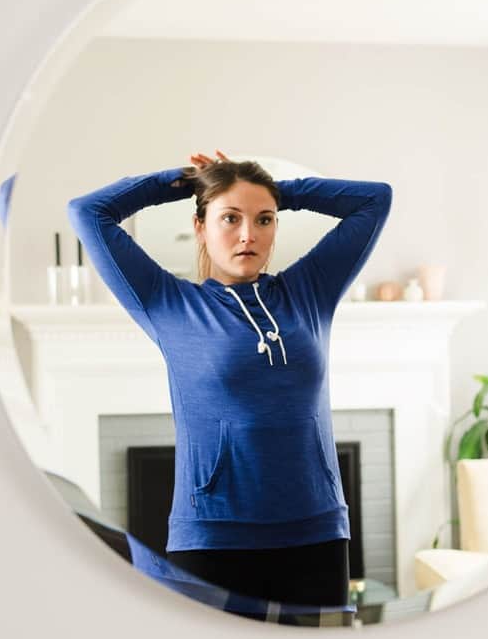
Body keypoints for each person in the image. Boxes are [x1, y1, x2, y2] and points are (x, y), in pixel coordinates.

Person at [67, 149, 393, 607]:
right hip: (212, 541)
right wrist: (180, 181)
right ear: (200, 227)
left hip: (316, 530)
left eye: (264, 220)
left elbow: (375, 200)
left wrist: (282, 192)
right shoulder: (168, 304)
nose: (248, 234)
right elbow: (87, 212)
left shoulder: (309, 291)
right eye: (230, 218)